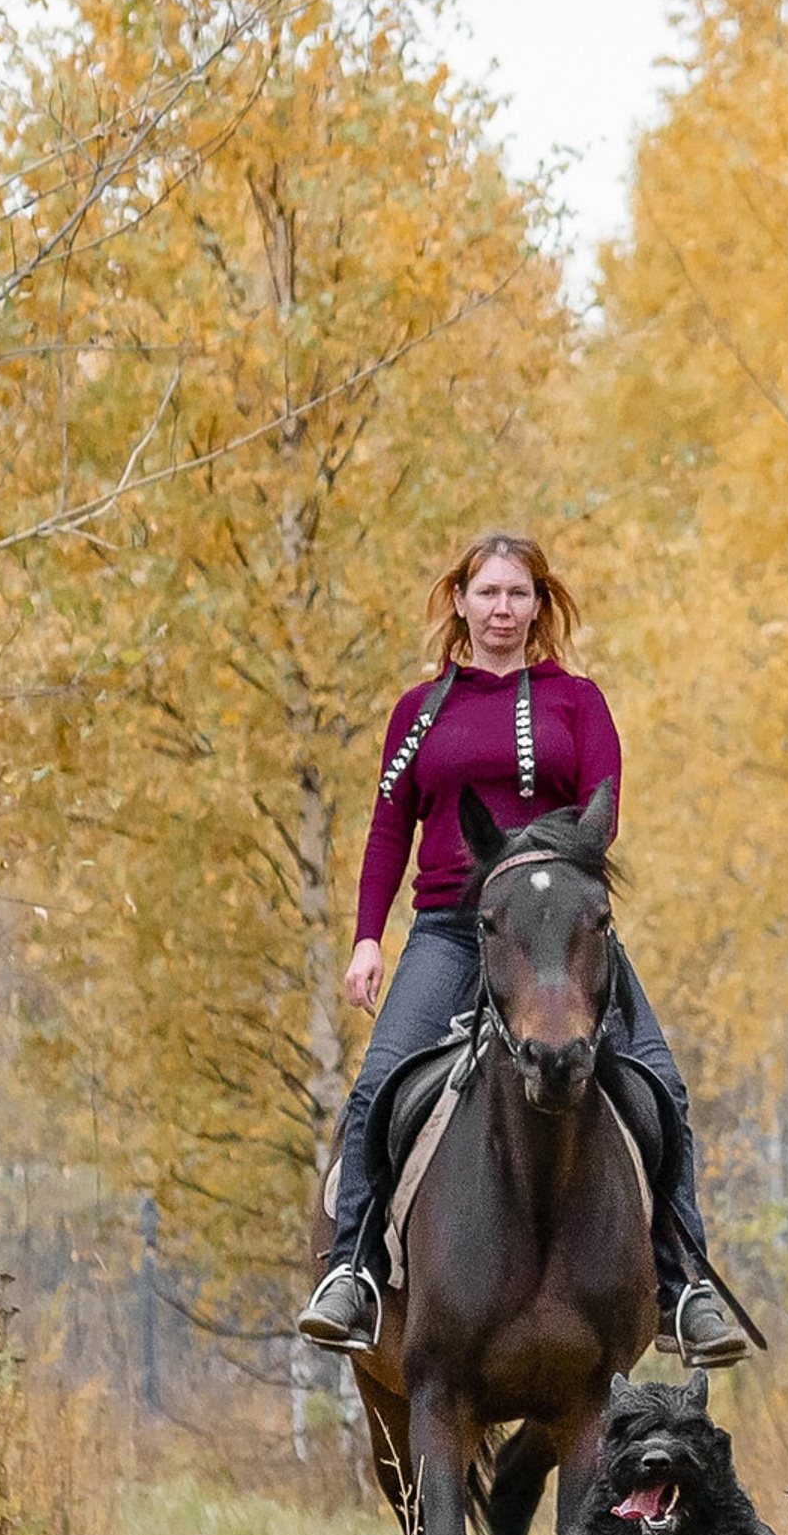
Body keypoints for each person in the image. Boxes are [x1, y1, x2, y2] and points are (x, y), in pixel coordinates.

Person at [297, 531, 744, 1366]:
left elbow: (602, 812)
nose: (502, 609)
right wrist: (366, 936)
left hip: (559, 932)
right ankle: (353, 1273)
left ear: (540, 605)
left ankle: (683, 1287)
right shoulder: (418, 712)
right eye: (487, 593)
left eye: (518, 594)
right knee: (375, 1086)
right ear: (460, 602)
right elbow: (391, 827)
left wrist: (543, 863)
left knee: (663, 1086)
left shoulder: (580, 702)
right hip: (446, 929)